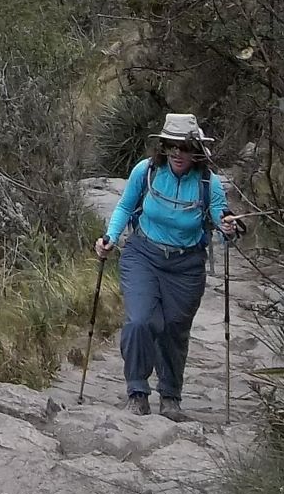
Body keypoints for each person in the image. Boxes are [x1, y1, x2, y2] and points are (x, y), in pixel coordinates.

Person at [94, 112, 240, 420]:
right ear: (162, 147)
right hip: (143, 255)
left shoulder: (207, 184)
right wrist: (110, 237)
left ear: (196, 151)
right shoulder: (145, 172)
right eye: (171, 146)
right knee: (140, 322)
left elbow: (219, 217)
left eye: (185, 147)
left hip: (187, 266)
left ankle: (171, 396)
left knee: (174, 329)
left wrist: (227, 229)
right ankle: (137, 392)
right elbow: (124, 205)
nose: (178, 153)